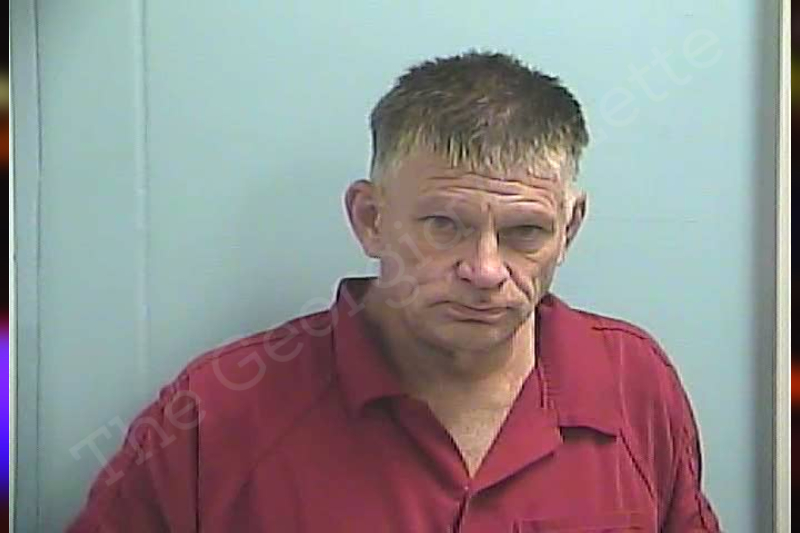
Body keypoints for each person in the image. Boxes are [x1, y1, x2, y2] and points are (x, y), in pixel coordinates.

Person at [68, 51, 721, 532]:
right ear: (370, 220)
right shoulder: (217, 412)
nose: (485, 269)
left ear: (568, 229)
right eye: (443, 225)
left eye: (524, 232)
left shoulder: (634, 383)